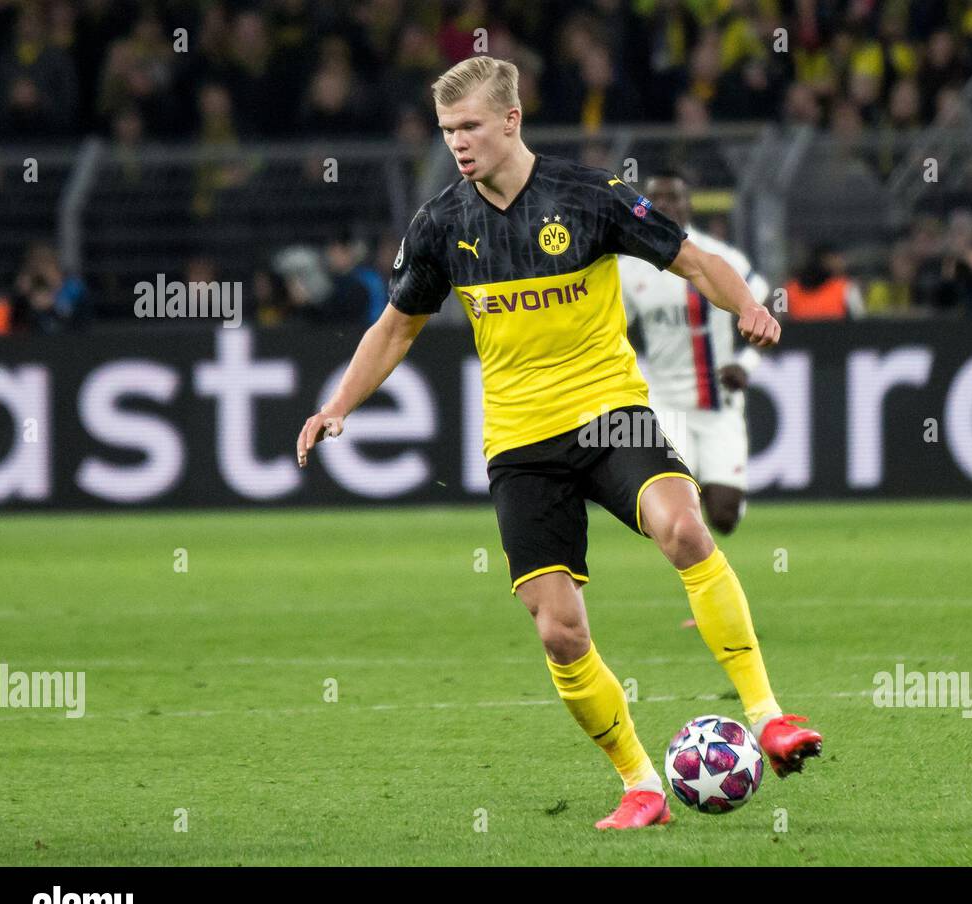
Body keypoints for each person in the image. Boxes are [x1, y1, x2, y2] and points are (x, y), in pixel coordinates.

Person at [295, 56, 822, 830]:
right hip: (520, 443)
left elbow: (694, 259)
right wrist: (338, 403)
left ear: (511, 120)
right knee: (559, 629)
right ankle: (642, 785)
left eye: (471, 126)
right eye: (447, 132)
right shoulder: (443, 224)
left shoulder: (590, 196)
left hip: (610, 415)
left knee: (684, 527)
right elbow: (396, 325)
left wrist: (746, 305)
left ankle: (769, 715)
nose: (459, 144)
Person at [618, 170, 767, 536]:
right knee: (679, 515)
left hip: (720, 403)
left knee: (724, 517)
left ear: (690, 204)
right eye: (657, 198)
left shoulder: (720, 257)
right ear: (645, 206)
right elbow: (611, 328)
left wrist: (745, 363)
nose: (665, 205)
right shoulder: (630, 267)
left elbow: (767, 310)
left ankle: (711, 488)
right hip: (667, 404)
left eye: (674, 197)